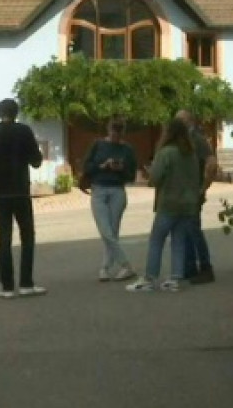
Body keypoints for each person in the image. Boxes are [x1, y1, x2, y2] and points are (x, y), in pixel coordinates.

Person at [0, 98, 45, 299]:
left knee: (4, 239)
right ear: (16, 113)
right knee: (27, 236)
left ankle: (7, 287)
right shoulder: (24, 131)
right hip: (20, 191)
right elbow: (36, 161)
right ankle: (26, 283)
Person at [128, 118, 202, 293]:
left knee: (157, 240)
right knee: (178, 241)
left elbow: (154, 178)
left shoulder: (166, 153)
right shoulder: (191, 154)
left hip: (168, 202)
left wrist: (150, 172)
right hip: (188, 203)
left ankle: (150, 277)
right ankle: (175, 278)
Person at [82, 117, 138, 282]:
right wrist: (102, 165)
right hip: (98, 189)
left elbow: (131, 176)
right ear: (108, 129)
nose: (116, 135)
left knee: (113, 231)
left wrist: (121, 168)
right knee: (105, 230)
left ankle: (105, 268)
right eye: (114, 130)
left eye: (119, 131)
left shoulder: (127, 149)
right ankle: (126, 265)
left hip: (117, 191)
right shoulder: (98, 145)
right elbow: (86, 166)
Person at [176, 109, 218, 284]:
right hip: (183, 193)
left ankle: (206, 268)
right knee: (186, 229)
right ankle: (189, 267)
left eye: (180, 121)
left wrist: (203, 188)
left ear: (188, 121)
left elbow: (211, 163)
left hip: (193, 193)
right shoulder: (184, 140)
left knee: (193, 230)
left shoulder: (197, 140)